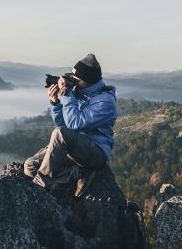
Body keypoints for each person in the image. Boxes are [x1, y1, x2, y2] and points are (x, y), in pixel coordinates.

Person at [24, 54, 117, 197]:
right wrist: (55, 103)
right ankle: (76, 174)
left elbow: (74, 125)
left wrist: (68, 96)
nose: (72, 82)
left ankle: (40, 187)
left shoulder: (105, 102)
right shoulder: (79, 92)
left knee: (59, 133)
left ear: (88, 81)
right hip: (75, 149)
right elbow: (64, 125)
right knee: (30, 166)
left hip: (95, 152)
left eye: (76, 80)